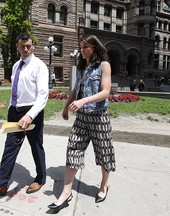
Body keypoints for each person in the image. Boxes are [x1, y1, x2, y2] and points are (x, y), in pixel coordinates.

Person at [48, 34, 116, 212]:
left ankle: (104, 185)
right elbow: (75, 89)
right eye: (81, 47)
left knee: (104, 153)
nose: (82, 50)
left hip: (99, 116)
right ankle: (66, 192)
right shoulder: (81, 68)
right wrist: (65, 107)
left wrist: (83, 101)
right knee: (73, 149)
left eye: (86, 47)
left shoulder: (104, 65)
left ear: (94, 47)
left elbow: (105, 91)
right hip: (82, 118)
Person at [0, 33, 49, 196]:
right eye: (22, 46)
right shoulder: (16, 65)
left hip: (33, 113)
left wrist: (30, 115)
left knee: (36, 146)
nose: (26, 49)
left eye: (28, 46)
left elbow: (43, 95)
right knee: (10, 147)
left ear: (33, 46)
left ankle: (40, 178)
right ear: (17, 46)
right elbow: (15, 89)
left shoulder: (39, 66)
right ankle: (0, 184)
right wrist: (11, 107)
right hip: (15, 112)